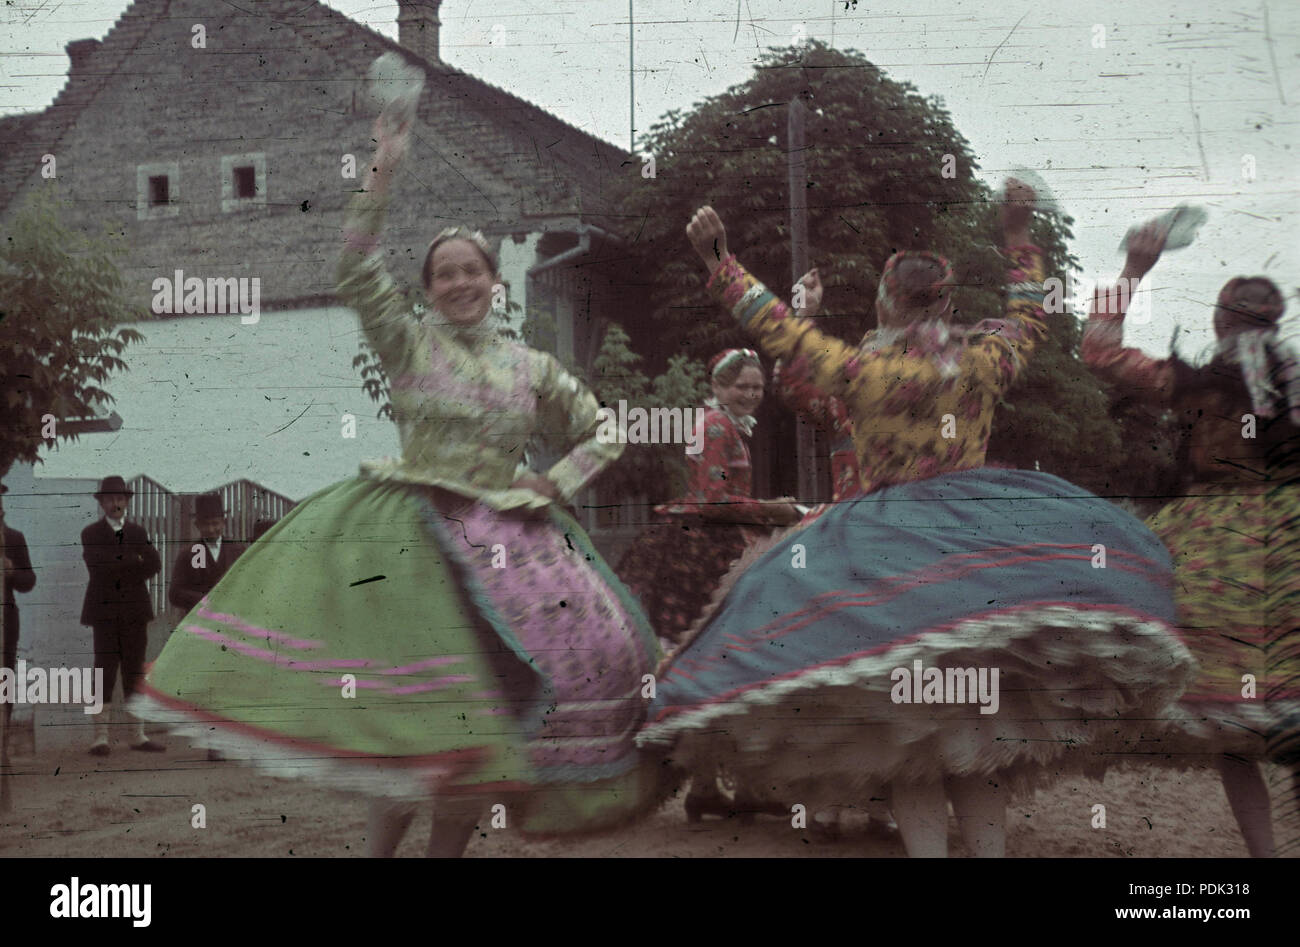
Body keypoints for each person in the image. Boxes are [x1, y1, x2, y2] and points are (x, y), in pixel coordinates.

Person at [131, 103, 662, 857]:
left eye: (472, 270)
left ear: (494, 281)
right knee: (420, 724)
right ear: (428, 287)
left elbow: (605, 425)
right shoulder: (407, 341)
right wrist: (384, 164)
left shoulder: (529, 365)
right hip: (413, 546)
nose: (459, 283)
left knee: (499, 715)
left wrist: (558, 480)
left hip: (515, 550)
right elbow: (353, 264)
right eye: (444, 273)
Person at [638, 184, 1196, 857]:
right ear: (949, 304)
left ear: (883, 301)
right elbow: (1031, 315)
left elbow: (780, 331)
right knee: (975, 726)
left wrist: (720, 262)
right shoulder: (985, 363)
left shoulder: (862, 371)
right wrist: (1018, 236)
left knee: (917, 738)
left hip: (888, 548)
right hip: (978, 543)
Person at [1081, 220, 1300, 857]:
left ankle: (1265, 859)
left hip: (1212, 556)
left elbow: (1097, 350)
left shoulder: (1193, 386)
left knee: (1231, 728)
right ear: (1277, 321)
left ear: (1219, 326)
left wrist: (1134, 269)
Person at [81, 475, 163, 755]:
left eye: (120, 499)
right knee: (103, 670)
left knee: (134, 670)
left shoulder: (138, 532)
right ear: (102, 503)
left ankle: (137, 736)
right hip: (104, 612)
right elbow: (97, 567)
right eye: (110, 499)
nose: (115, 504)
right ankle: (100, 737)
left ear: (126, 502)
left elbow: (155, 563)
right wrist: (131, 561)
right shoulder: (90, 533)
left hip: (134, 612)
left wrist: (120, 563)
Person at [168, 493, 247, 613]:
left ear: (223, 522)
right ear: (197, 525)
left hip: (232, 618)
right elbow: (175, 594)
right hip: (199, 621)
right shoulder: (188, 554)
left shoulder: (239, 551)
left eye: (215, 523)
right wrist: (206, 600)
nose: (210, 529)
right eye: (205, 524)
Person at [1, 484, 37, 730]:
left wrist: (12, 571)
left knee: (4, 677)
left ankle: (3, 743)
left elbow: (29, 581)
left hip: (6, 620)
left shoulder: (14, 538)